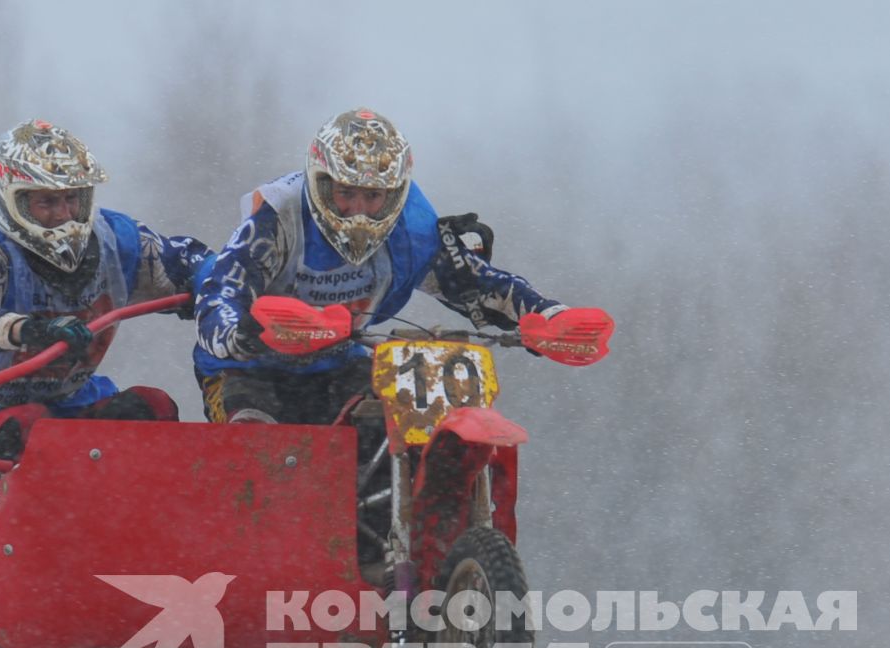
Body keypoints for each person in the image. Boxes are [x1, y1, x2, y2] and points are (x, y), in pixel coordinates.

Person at [192, 108, 612, 429]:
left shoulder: (413, 230)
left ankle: (407, 525)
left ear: (394, 195)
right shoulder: (278, 217)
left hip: (339, 365)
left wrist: (550, 316)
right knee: (255, 434)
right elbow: (220, 292)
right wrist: (245, 333)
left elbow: (476, 284)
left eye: (373, 197)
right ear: (321, 184)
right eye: (346, 193)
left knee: (388, 423)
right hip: (248, 371)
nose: (358, 211)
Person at [0, 120, 212, 518]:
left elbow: (193, 265)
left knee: (149, 408)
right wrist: (25, 329)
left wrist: (229, 293)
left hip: (72, 411)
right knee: (31, 428)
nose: (64, 216)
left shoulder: (116, 241)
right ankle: (38, 554)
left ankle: (157, 532)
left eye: (72, 201)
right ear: (10, 202)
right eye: (46, 203)